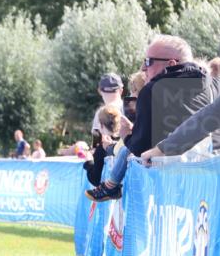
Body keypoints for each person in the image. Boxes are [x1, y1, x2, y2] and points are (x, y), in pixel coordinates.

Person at [88, 35, 213, 201]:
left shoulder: (152, 90)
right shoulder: (210, 86)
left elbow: (140, 148)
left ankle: (110, 187)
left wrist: (127, 134)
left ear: (171, 64)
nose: (143, 68)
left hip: (165, 184)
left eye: (148, 61)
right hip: (203, 181)